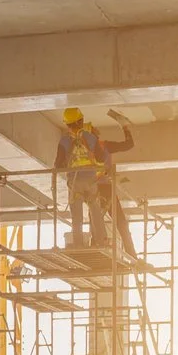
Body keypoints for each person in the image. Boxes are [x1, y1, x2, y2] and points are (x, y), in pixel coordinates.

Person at [52, 107, 133, 251]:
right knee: (100, 214)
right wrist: (125, 128)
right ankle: (104, 243)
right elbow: (123, 147)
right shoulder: (94, 140)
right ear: (82, 122)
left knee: (78, 216)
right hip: (94, 182)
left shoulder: (65, 140)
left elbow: (57, 165)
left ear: (67, 124)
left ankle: (80, 244)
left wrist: (66, 164)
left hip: (75, 180)